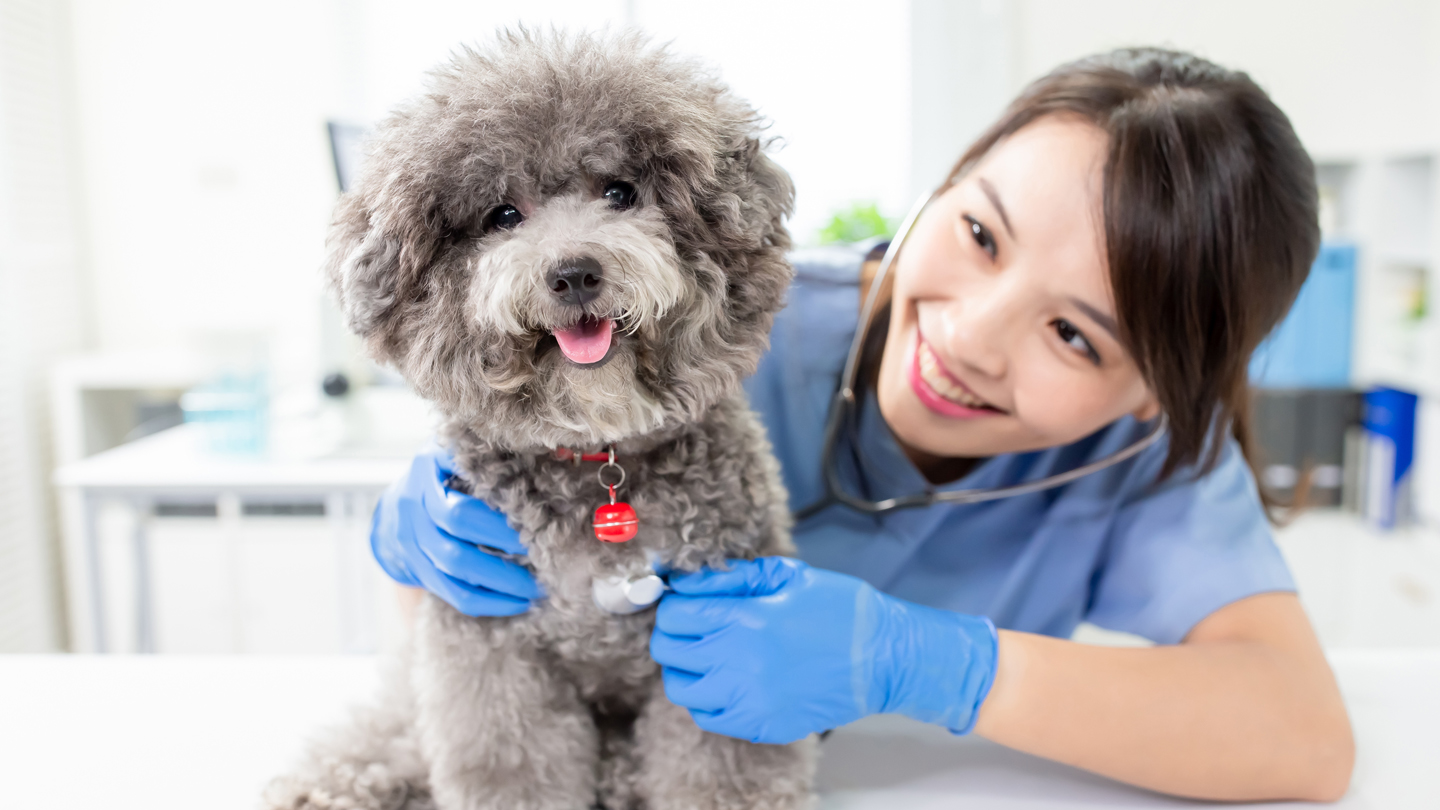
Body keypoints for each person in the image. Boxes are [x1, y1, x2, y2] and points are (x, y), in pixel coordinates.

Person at [369, 49, 1354, 801]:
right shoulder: (707, 320)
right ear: (945, 183)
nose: (970, 337)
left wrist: (933, 663)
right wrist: (426, 556)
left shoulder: (1151, 458)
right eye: (980, 234)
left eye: (1072, 333)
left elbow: (1304, 739)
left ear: (1155, 394)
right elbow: (494, 639)